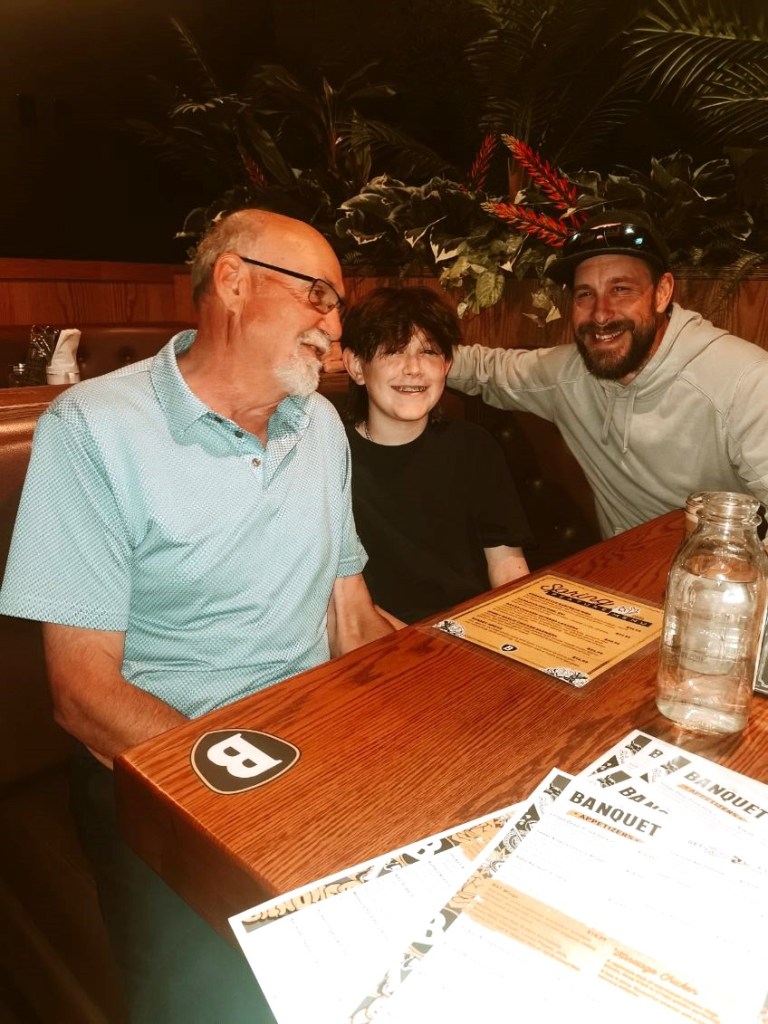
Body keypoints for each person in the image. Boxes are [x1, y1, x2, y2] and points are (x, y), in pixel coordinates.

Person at [0, 208, 393, 1023]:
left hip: (310, 745)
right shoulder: (93, 429)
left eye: (339, 306)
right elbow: (82, 696)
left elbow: (351, 616)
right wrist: (249, 794)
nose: (335, 326)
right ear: (234, 282)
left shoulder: (320, 425)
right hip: (156, 767)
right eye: (319, 296)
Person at [446, 209, 768, 538]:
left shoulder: (747, 383)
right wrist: (414, 355)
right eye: (585, 294)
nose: (601, 315)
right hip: (616, 565)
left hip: (719, 567)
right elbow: (484, 369)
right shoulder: (569, 374)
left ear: (662, 292)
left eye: (621, 289)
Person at [340, 286, 531, 626]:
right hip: (376, 636)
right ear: (356, 365)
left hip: (473, 628)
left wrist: (518, 632)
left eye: (428, 352)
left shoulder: (474, 447)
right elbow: (337, 598)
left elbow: (506, 563)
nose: (413, 368)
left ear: (446, 365)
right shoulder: (331, 455)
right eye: (393, 351)